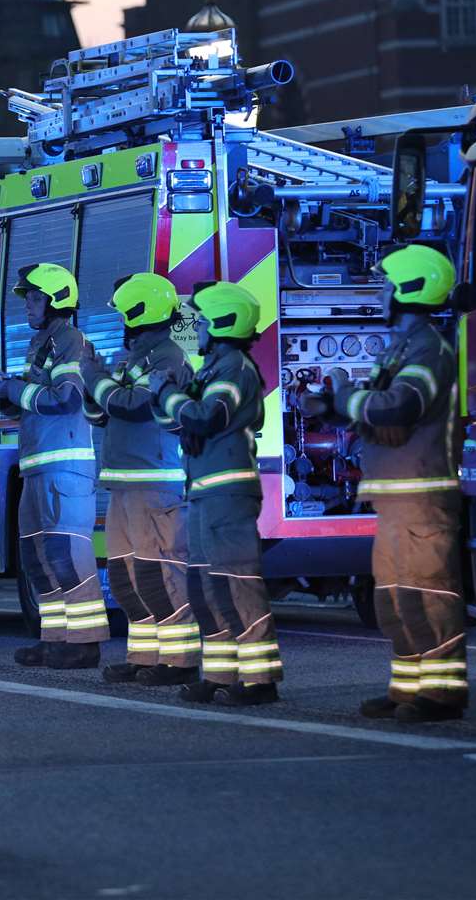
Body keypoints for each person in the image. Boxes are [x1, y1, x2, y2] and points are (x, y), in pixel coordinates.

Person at [328, 244, 466, 723]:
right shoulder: (403, 349)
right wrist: (348, 405)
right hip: (395, 499)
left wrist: (347, 394)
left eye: (388, 285)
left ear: (409, 289)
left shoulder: (430, 350)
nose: (382, 292)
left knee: (431, 596)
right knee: (395, 600)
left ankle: (443, 693)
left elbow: (397, 409)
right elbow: (378, 414)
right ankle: (408, 690)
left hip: (422, 497)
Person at [152, 281, 282, 706]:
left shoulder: (235, 369)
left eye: (206, 322)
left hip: (228, 495)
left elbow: (207, 417)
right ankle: (222, 674)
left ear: (224, 323)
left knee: (237, 583)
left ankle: (259, 679)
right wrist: (170, 395)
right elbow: (184, 418)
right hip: (206, 495)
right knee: (207, 587)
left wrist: (168, 394)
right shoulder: (216, 369)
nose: (200, 329)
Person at [80, 272, 198, 685]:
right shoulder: (132, 359)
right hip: (123, 483)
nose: (121, 323)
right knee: (126, 575)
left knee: (159, 572)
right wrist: (92, 385)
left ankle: (179, 660)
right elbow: (103, 411)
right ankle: (145, 655)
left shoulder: (168, 358)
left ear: (139, 313)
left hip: (153, 480)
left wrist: (94, 379)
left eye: (125, 315)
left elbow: (131, 405)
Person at [0, 263, 107, 670]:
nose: (27, 304)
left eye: (35, 297)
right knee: (36, 557)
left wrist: (16, 390)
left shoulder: (71, 342)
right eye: (27, 296)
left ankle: (85, 641)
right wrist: (6, 396)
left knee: (66, 555)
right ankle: (56, 638)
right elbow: (36, 397)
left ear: (57, 300)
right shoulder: (43, 342)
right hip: (38, 468)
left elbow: (66, 398)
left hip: (64, 468)